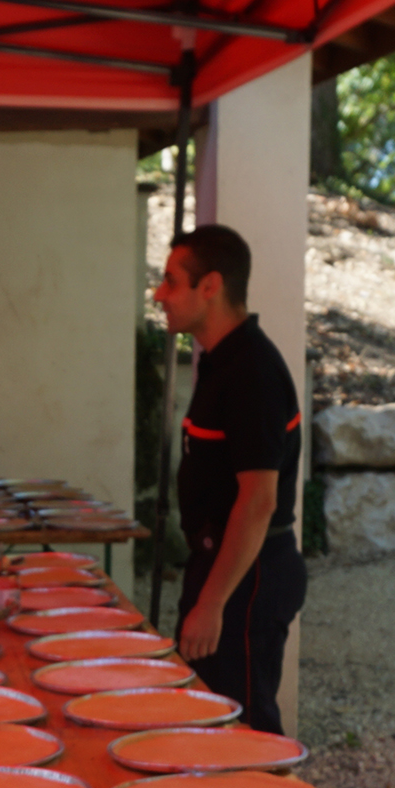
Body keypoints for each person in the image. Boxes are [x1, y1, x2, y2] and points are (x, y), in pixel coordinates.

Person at [151, 224, 306, 734]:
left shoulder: (251, 371)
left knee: (244, 729)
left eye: (172, 281)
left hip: (248, 575)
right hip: (223, 566)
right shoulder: (222, 362)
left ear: (210, 285)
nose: (160, 294)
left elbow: (258, 501)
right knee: (206, 720)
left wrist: (213, 602)